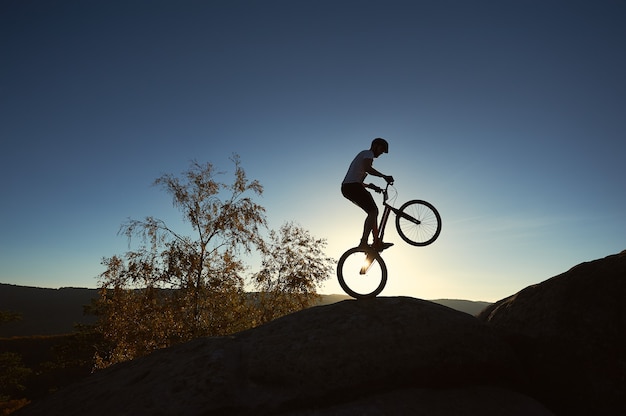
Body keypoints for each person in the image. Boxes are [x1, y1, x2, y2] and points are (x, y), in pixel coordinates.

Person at [341, 138, 394, 251]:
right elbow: (367, 169)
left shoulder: (364, 157)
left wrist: (372, 186)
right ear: (375, 145)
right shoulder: (367, 153)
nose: (381, 153)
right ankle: (364, 242)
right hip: (351, 187)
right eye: (381, 149)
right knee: (373, 211)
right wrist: (384, 176)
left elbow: (359, 181)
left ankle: (376, 242)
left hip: (351, 187)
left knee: (373, 212)